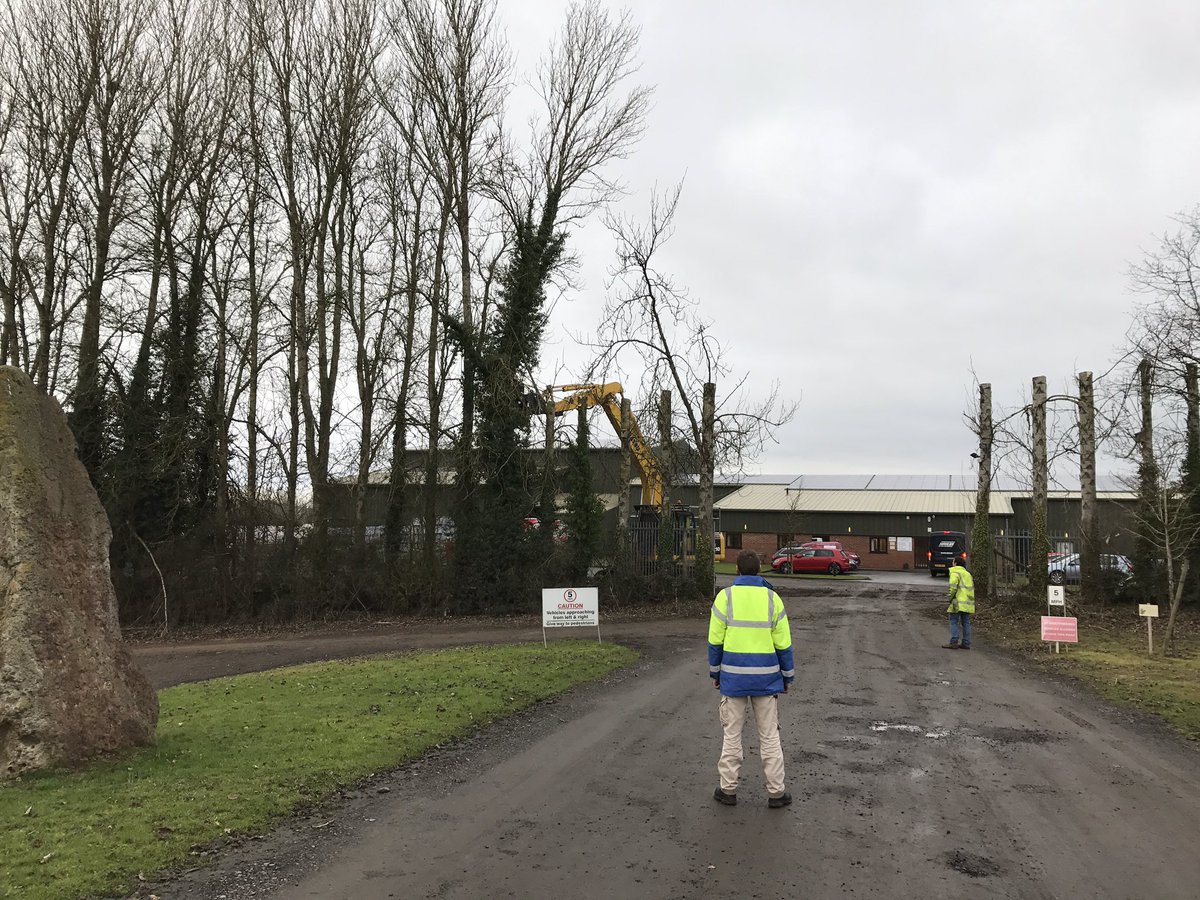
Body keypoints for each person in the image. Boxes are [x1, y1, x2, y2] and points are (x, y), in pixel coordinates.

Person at [708, 550, 795, 808]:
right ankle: (776, 793)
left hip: (733, 678)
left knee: (732, 734)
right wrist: (787, 676)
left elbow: (715, 641)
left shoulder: (725, 598)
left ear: (737, 570)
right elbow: (784, 644)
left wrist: (715, 673)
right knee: (769, 735)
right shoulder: (773, 599)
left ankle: (728, 789)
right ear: (759, 570)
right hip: (766, 679)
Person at [943, 555, 976, 649]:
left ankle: (954, 642)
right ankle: (966, 643)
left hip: (956, 601)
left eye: (953, 562)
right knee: (966, 622)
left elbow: (953, 588)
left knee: (953, 621)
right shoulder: (968, 574)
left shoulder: (955, 573)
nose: (952, 563)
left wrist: (950, 597)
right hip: (967, 603)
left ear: (956, 563)